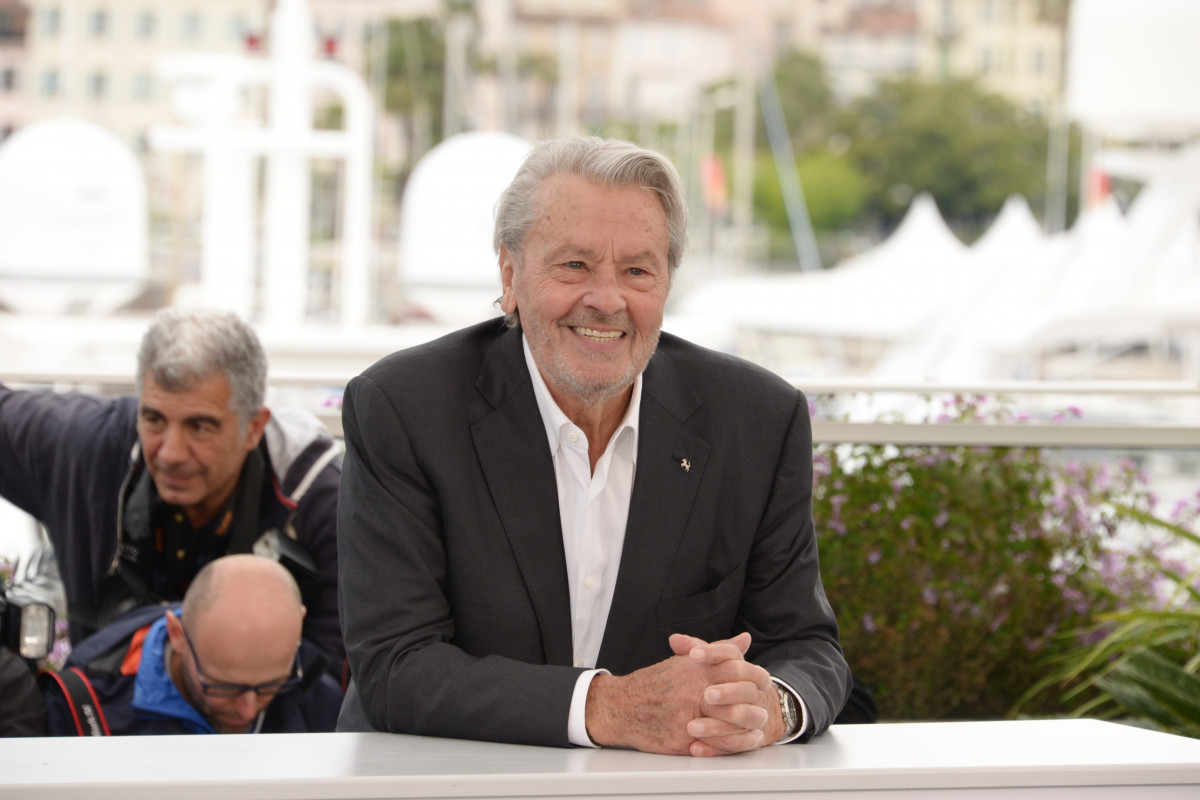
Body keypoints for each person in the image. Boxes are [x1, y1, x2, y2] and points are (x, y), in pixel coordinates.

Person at [336, 135, 852, 756]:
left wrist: (770, 704)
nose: (607, 300)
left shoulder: (758, 421)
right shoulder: (405, 407)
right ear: (510, 275)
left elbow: (806, 647)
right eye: (575, 265)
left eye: (637, 270)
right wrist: (606, 708)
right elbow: (396, 665)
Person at [0, 308, 343, 669]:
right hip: (100, 721)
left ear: (254, 428)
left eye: (199, 427)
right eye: (154, 420)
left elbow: (337, 689)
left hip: (269, 722)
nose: (171, 453)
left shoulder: (323, 504)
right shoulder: (90, 446)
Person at [42, 554, 342, 735]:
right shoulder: (81, 705)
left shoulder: (316, 691)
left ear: (297, 627)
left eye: (272, 686)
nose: (248, 711)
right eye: (224, 686)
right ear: (178, 635)